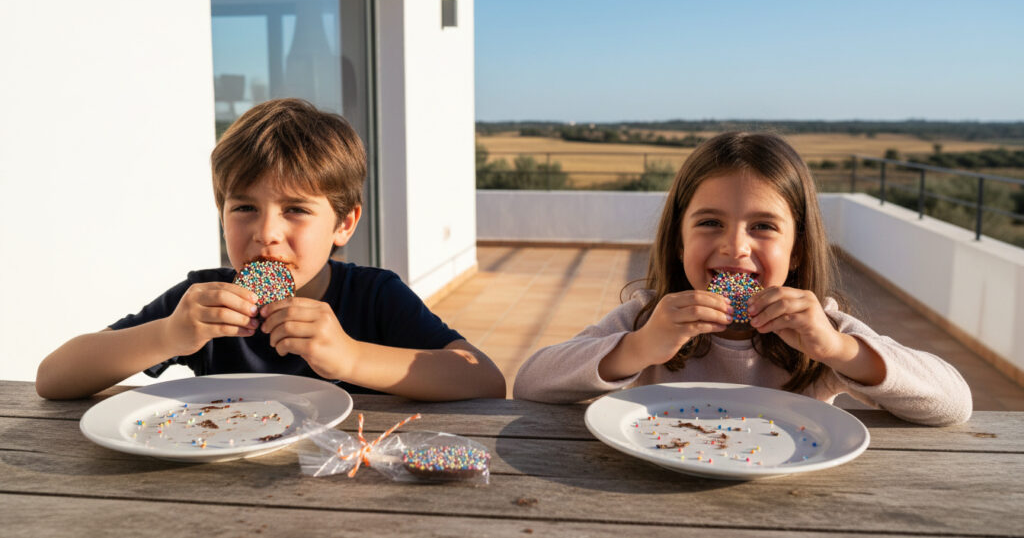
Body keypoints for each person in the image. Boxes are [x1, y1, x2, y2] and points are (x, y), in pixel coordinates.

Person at [37, 98, 506, 401]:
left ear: (344, 223)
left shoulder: (373, 295)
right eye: (244, 207)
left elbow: (483, 378)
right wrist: (168, 335)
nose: (266, 232)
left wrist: (350, 358)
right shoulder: (203, 300)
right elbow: (54, 378)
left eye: (296, 210)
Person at [513, 132, 971, 426]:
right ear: (678, 241)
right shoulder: (646, 319)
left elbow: (954, 403)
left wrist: (838, 350)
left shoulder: (819, 330)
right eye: (710, 222)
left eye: (763, 226)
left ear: (796, 252)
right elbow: (531, 382)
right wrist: (638, 348)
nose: (735, 247)